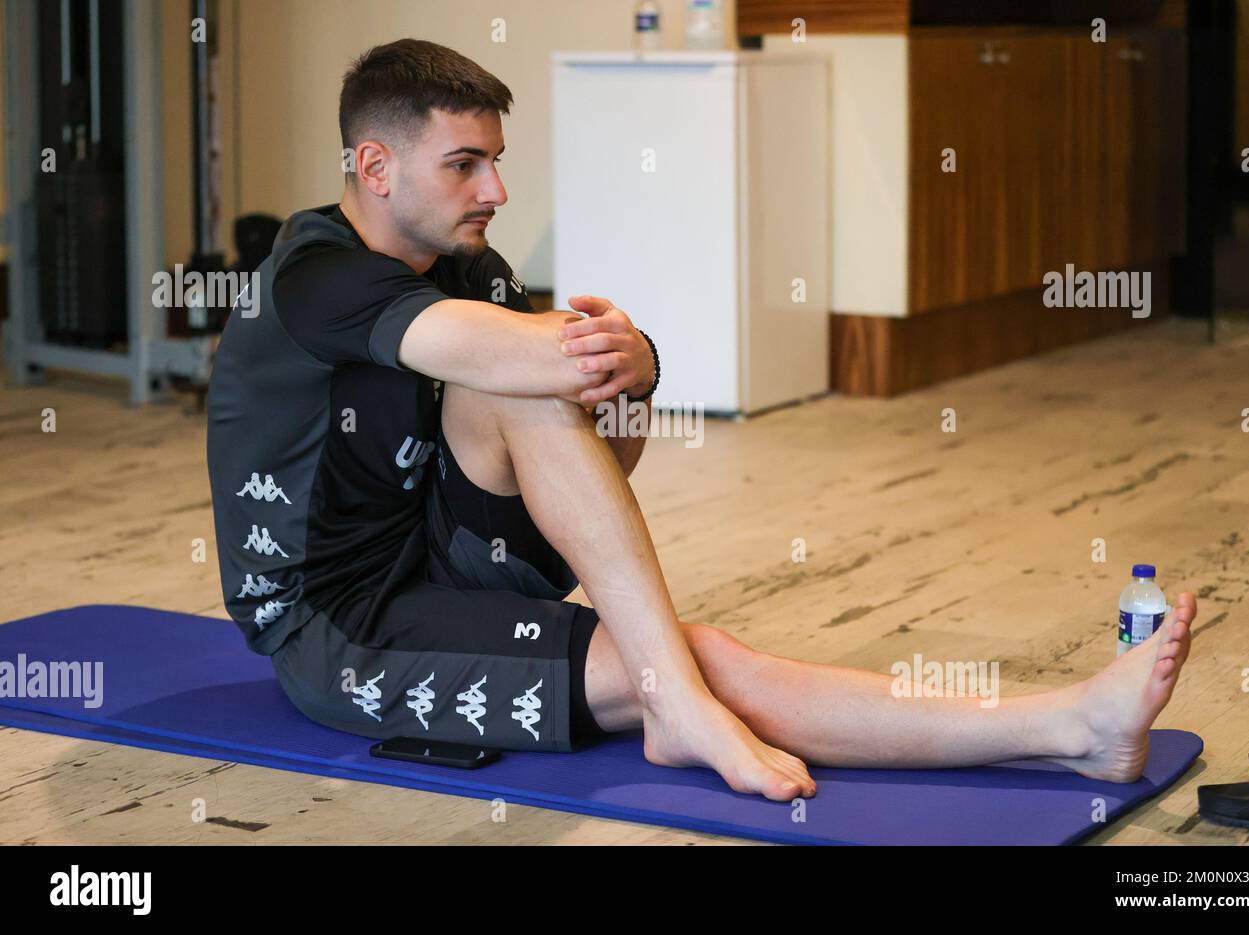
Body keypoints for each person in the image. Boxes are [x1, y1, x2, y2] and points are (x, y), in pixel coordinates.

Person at [206, 39, 1195, 802]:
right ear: (374, 166)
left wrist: (638, 370)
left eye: (497, 163)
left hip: (446, 554)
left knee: (534, 385)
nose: (497, 191)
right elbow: (525, 359)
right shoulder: (313, 277)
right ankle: (1067, 725)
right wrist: (603, 351)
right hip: (338, 625)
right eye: (465, 165)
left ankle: (678, 696)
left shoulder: (474, 267)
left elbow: (590, 438)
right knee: (692, 654)